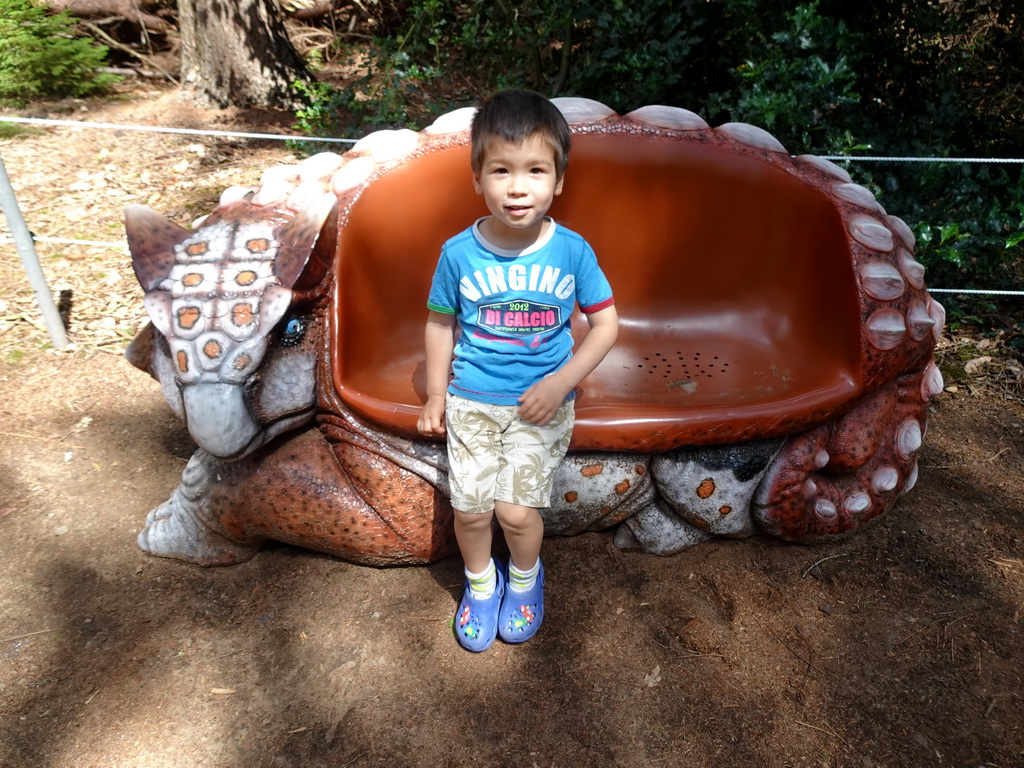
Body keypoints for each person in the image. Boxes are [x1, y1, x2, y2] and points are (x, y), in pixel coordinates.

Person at [417, 89, 619, 652]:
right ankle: (482, 583)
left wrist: (560, 383)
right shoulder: (458, 253)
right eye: (501, 170)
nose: (518, 186)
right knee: (472, 510)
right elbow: (439, 325)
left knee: (515, 511)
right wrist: (436, 395)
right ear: (477, 177)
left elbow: (606, 326)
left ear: (558, 181)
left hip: (541, 403)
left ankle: (526, 578)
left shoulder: (572, 251)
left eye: (535, 170)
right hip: (472, 400)